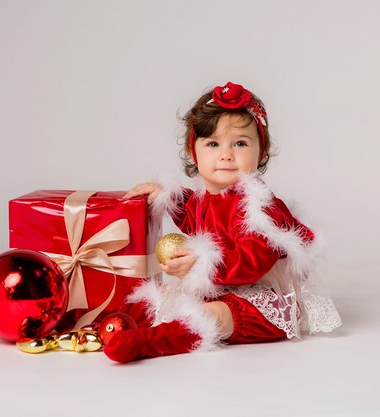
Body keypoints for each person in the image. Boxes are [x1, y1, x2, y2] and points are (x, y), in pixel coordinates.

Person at [104, 81, 342, 363]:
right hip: (221, 288)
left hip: (258, 299)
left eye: (240, 143)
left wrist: (202, 263)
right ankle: (110, 326)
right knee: (160, 297)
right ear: (194, 153)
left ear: (261, 153)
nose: (226, 154)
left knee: (214, 315)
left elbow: (253, 260)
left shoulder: (260, 205)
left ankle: (147, 343)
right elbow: (192, 215)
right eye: (213, 144)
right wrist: (166, 195)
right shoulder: (206, 198)